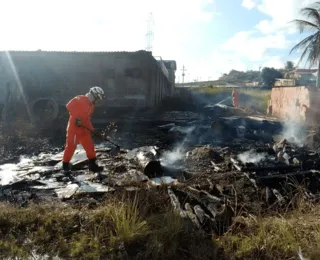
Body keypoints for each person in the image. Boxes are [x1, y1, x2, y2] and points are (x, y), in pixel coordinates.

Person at [62, 86, 105, 173]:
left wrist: (92, 130)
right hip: (73, 129)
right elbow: (68, 106)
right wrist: (76, 118)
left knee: (90, 146)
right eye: (97, 98)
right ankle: (65, 166)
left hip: (84, 130)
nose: (97, 101)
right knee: (71, 147)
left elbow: (87, 120)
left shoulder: (91, 106)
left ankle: (93, 166)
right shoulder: (80, 98)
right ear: (93, 95)